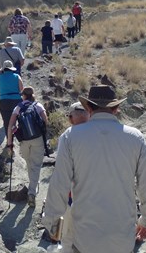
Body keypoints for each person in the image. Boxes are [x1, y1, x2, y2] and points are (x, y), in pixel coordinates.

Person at [42, 85, 146, 253]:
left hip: (84, 238)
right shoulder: (135, 138)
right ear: (117, 108)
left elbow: (59, 184)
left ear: (88, 107)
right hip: (123, 238)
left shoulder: (70, 137)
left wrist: (53, 223)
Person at [6, 86, 48, 208]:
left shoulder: (18, 107)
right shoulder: (38, 105)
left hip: (24, 140)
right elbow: (45, 121)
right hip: (37, 139)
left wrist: (9, 144)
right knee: (36, 165)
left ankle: (32, 187)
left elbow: (10, 126)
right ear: (33, 95)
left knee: (29, 163)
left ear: (23, 95)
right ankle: (32, 192)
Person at [58, 102, 89, 251]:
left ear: (71, 118)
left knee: (68, 236)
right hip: (97, 198)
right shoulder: (101, 136)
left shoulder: (67, 137)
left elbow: (62, 174)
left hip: (72, 198)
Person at [0, 60, 23, 132]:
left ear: (4, 69)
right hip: (17, 102)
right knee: (21, 121)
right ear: (12, 68)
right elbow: (22, 91)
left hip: (4, 102)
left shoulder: (0, 78)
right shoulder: (17, 77)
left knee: (7, 123)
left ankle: (9, 141)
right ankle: (21, 139)